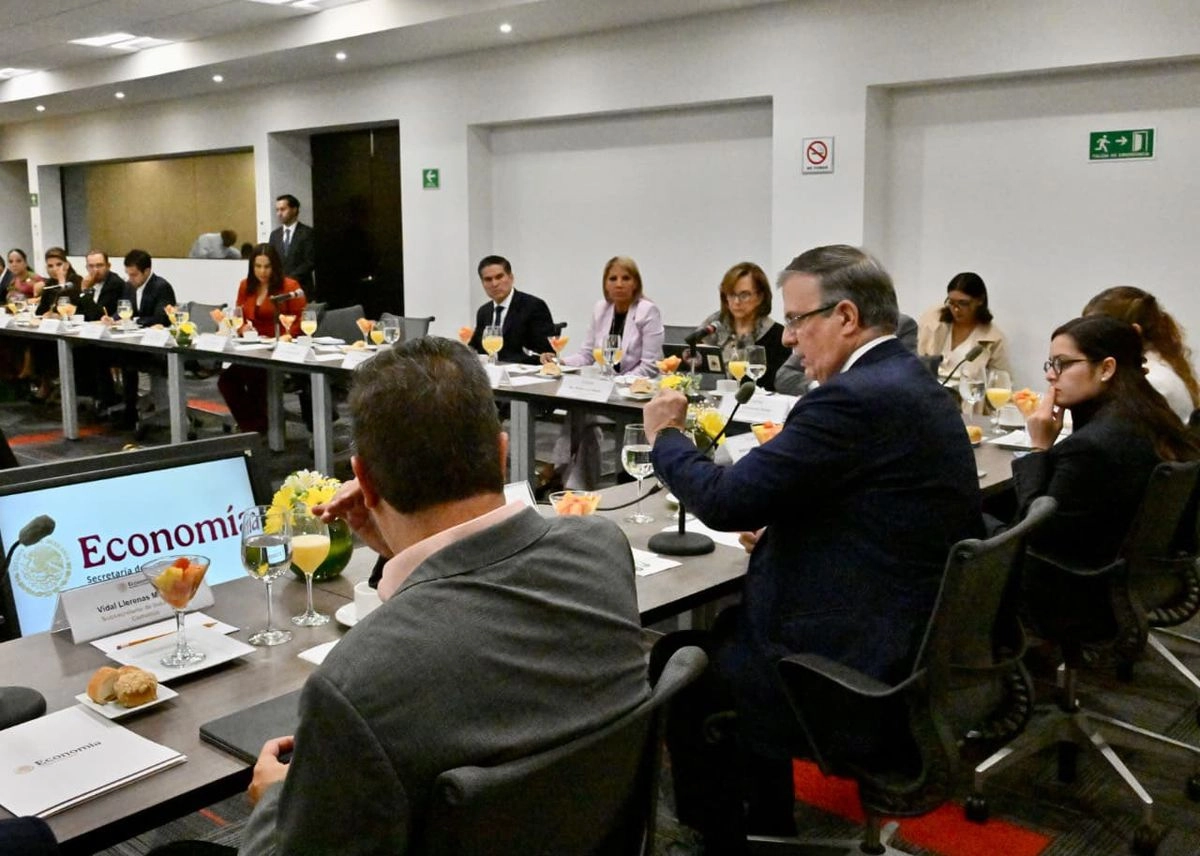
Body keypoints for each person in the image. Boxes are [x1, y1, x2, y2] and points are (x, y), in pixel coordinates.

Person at [232, 337, 649, 854]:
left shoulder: (351, 685)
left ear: (362, 477)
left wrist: (275, 799)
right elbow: (468, 631)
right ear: (502, 453)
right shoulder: (603, 550)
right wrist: (402, 555)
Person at [642, 244, 983, 853]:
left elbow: (723, 502)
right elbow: (873, 501)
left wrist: (666, 436)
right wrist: (799, 523)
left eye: (799, 320)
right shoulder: (909, 381)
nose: (792, 340)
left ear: (846, 317)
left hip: (847, 667)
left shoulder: (851, 398)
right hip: (904, 640)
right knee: (724, 629)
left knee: (680, 660)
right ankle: (767, 819)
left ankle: (723, 839)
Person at [1017, 315, 1200, 571]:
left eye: (1062, 364)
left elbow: (1033, 532)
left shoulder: (1091, 446)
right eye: (1050, 364)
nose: (1050, 375)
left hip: (1077, 586)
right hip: (1145, 576)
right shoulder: (1149, 415)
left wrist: (1038, 448)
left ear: (1106, 369)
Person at [217, 243, 306, 434]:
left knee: (256, 376)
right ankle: (255, 425)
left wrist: (287, 336)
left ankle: (257, 429)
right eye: (258, 266)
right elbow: (238, 315)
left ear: (275, 267)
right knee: (227, 381)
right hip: (252, 347)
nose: (262, 271)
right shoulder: (245, 286)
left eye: (267, 266)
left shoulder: (289, 286)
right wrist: (243, 328)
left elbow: (301, 319)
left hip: (280, 348)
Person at [1082, 286, 1200, 423]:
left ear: (1132, 333)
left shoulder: (1151, 381)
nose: (1085, 342)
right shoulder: (1157, 368)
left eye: (1095, 333)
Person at [555, 256, 664, 377]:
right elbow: (587, 354)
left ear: (636, 284)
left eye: (626, 278)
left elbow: (650, 366)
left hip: (637, 387)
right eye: (613, 279)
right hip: (606, 385)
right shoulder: (601, 308)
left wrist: (619, 382)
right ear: (605, 285)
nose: (619, 284)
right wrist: (559, 362)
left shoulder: (647, 310)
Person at [692, 261, 790, 391]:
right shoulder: (711, 329)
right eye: (731, 294)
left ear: (760, 296)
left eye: (744, 295)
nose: (736, 302)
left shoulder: (777, 335)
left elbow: (775, 385)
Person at [114, 250, 177, 430]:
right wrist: (113, 319)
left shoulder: (161, 287)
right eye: (128, 274)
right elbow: (123, 310)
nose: (130, 278)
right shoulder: (128, 286)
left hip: (158, 345)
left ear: (147, 271)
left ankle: (132, 409)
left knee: (128, 360)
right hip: (136, 341)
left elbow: (161, 318)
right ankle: (128, 406)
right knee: (118, 356)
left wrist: (134, 321)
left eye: (134, 274)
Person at [917, 271, 1010, 383]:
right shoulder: (933, 320)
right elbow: (917, 360)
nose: (956, 309)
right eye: (951, 302)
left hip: (967, 397)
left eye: (963, 303)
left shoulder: (993, 338)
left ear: (980, 300)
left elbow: (1001, 382)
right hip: (929, 392)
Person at [465, 255, 556, 365]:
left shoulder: (533, 306)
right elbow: (474, 348)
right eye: (488, 279)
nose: (494, 284)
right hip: (492, 374)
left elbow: (545, 351)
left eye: (499, 277)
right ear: (482, 283)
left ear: (511, 277)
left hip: (525, 374)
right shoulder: (484, 311)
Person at [268, 194, 315, 298]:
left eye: (283, 209)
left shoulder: (307, 233)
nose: (279, 213)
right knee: (283, 315)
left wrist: (289, 278)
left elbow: (310, 261)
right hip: (279, 290)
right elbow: (271, 260)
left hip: (302, 288)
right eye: (277, 210)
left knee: (309, 314)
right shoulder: (274, 235)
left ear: (294, 210)